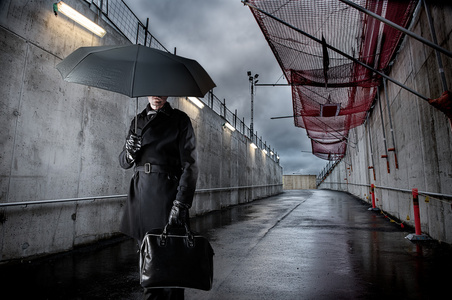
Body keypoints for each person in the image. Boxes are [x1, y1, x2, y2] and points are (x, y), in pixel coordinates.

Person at [119, 96, 198, 300]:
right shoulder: (138, 120)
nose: (157, 95)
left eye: (162, 90)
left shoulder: (180, 119)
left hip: (167, 198)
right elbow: (123, 162)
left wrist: (181, 203)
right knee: (148, 268)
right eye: (152, 90)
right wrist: (129, 152)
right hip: (141, 197)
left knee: (170, 271)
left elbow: (190, 165)